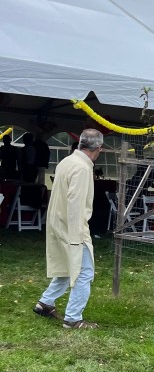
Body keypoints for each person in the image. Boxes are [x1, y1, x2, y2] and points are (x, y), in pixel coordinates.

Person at [33, 128, 104, 330]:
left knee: (66, 266)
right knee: (84, 271)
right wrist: (77, 236)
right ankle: (73, 318)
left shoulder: (67, 161)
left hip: (58, 221)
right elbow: (75, 203)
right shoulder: (82, 168)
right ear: (99, 148)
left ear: (80, 143)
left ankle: (45, 303)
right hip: (72, 226)